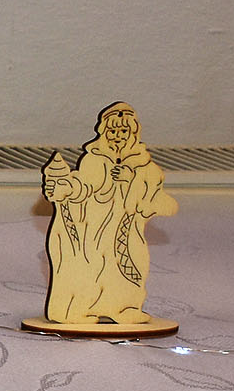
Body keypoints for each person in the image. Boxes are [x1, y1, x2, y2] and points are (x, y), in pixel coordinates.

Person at [42, 102, 176, 325]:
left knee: (131, 265)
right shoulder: (95, 158)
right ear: (104, 132)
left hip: (127, 229)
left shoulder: (144, 164)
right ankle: (80, 309)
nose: (118, 136)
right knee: (92, 268)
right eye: (113, 131)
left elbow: (153, 192)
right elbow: (85, 186)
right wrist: (67, 189)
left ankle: (124, 307)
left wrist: (131, 179)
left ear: (133, 133)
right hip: (96, 230)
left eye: (123, 131)